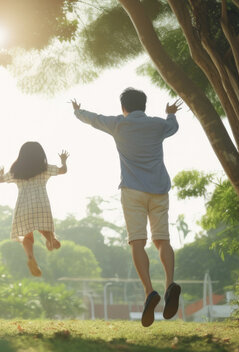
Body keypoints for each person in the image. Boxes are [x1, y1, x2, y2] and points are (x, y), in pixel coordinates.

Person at [70, 88, 182, 327]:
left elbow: (94, 119)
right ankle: (170, 283)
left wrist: (78, 111)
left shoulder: (118, 124)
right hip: (159, 189)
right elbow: (173, 128)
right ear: (144, 105)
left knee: (137, 242)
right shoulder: (157, 125)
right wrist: (170, 114)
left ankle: (150, 292)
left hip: (132, 191)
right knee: (162, 240)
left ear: (124, 107)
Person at [0, 142, 68, 277]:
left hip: (23, 206)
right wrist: (63, 161)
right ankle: (51, 239)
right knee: (43, 226)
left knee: (27, 235)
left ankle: (30, 257)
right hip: (41, 204)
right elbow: (63, 170)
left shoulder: (15, 171)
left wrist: (1, 173)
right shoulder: (44, 168)